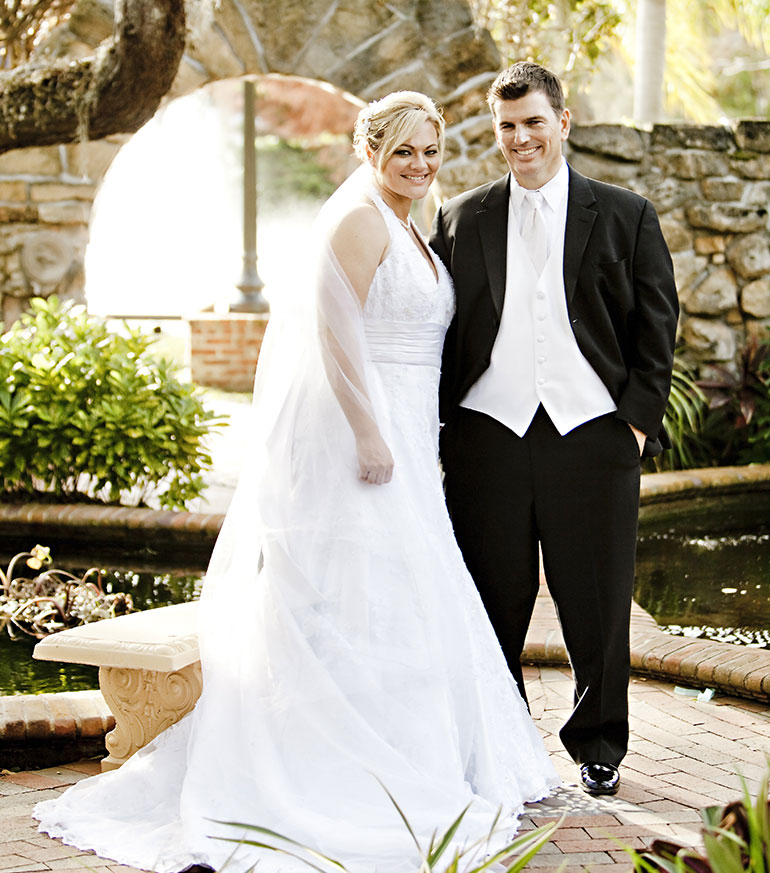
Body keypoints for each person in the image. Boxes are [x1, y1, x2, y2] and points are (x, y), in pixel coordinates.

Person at [33, 91, 558, 873]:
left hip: (414, 438)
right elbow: (333, 332)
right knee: (365, 593)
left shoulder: (411, 227)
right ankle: (348, 764)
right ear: (370, 152)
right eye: (403, 150)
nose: (419, 164)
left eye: (430, 150)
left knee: (413, 592)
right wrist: (369, 431)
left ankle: (423, 751)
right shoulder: (358, 221)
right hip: (367, 438)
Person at [430, 62, 679, 798]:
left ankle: (598, 743)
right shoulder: (461, 217)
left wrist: (634, 426)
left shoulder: (626, 214)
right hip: (487, 438)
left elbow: (657, 326)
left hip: (594, 437)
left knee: (597, 602)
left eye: (534, 122)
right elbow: (440, 331)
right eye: (507, 126)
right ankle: (502, 743)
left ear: (562, 123)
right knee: (492, 602)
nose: (520, 138)